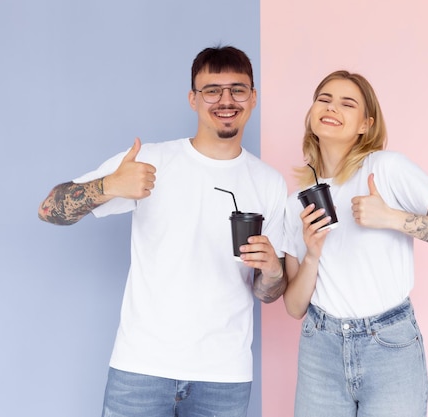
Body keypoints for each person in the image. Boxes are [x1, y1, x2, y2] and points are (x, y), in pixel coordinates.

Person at [38, 45, 287, 417]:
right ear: (192, 99)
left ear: (253, 98)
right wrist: (108, 186)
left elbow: (268, 293)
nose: (225, 100)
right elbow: (50, 210)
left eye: (237, 89)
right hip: (141, 368)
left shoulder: (269, 182)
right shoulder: (151, 161)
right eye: (211, 90)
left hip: (224, 376)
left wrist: (272, 270)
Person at [282, 70, 428, 417]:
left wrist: (390, 217)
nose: (332, 108)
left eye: (348, 103)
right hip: (320, 347)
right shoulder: (296, 202)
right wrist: (312, 253)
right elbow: (294, 307)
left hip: (389, 345)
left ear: (366, 124)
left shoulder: (387, 170)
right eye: (324, 99)